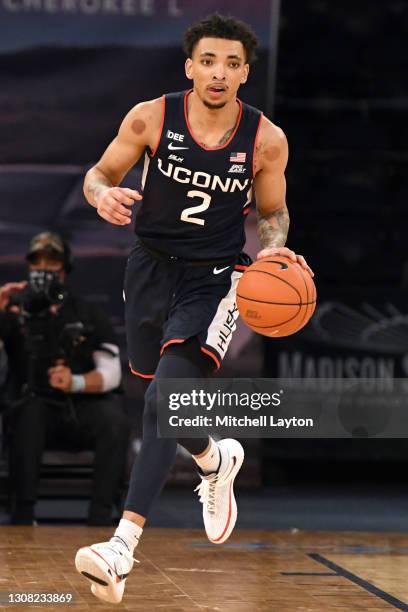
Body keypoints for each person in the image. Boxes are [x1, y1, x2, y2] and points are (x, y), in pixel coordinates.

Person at [75, 13, 314, 604]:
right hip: (150, 267)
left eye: (232, 63)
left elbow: (272, 214)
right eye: (209, 60)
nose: (219, 71)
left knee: (165, 401)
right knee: (158, 401)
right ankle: (216, 456)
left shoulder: (266, 138)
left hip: (215, 278)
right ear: (190, 67)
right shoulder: (151, 115)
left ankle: (121, 547)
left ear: (245, 73)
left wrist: (274, 257)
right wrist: (104, 195)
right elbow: (99, 174)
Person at [1, 232, 129, 525]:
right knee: (25, 413)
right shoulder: (13, 310)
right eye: (38, 264)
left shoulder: (88, 312)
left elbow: (111, 373)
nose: (44, 271)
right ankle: (23, 514)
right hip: (34, 403)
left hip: (80, 404)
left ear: (65, 269)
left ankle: (100, 516)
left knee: (114, 420)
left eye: (52, 264)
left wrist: (77, 382)